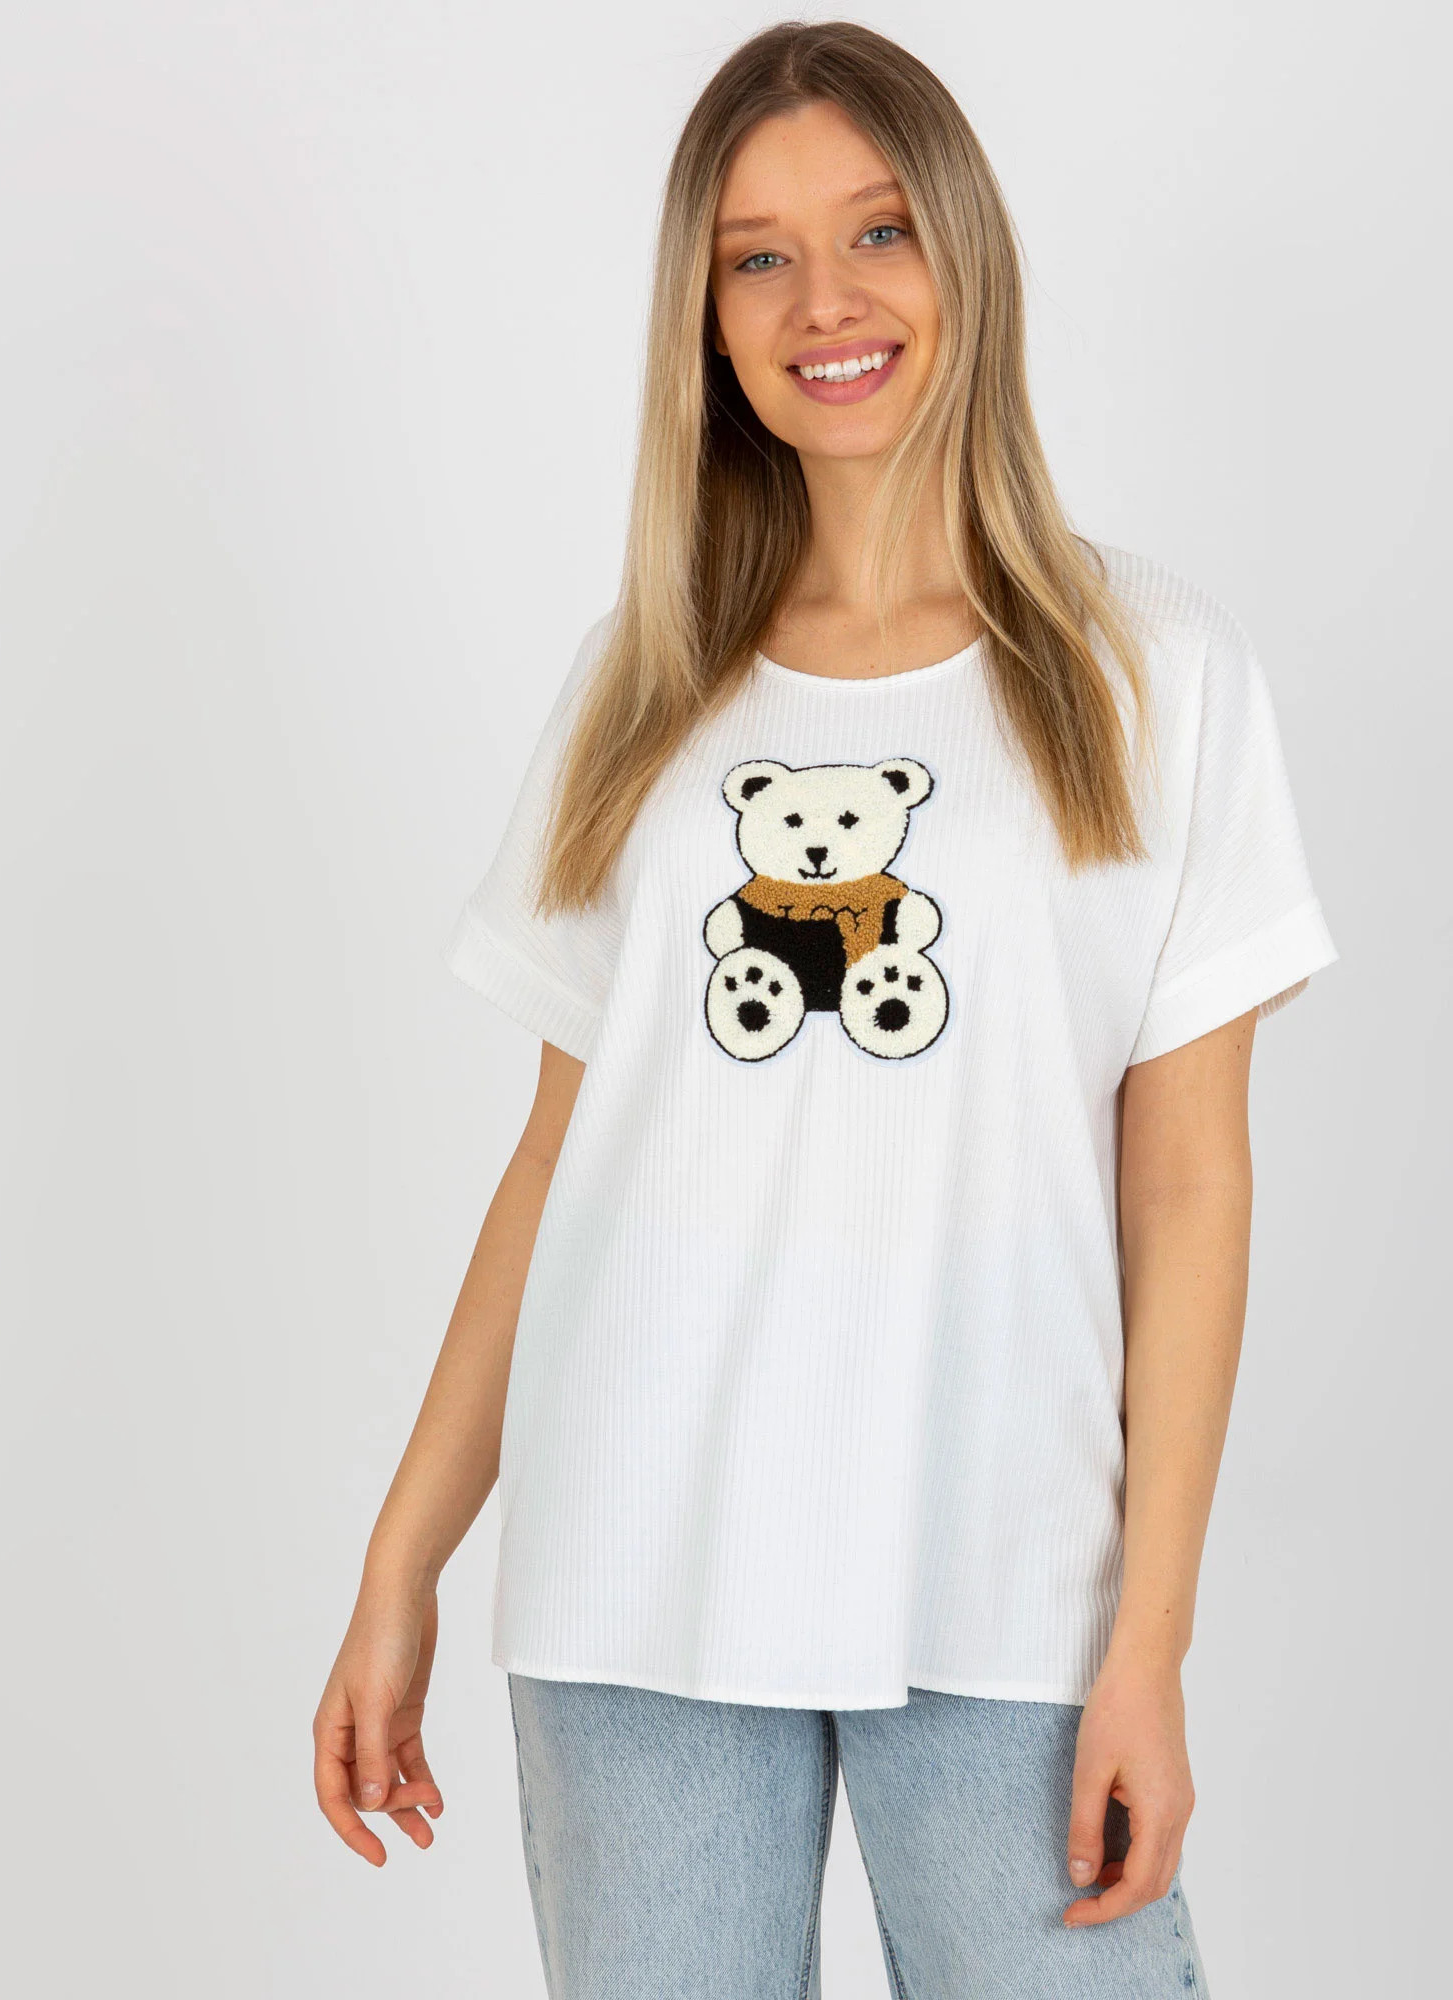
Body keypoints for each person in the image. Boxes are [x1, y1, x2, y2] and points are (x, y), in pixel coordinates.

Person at [313, 20, 1337, 1997]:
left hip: (1012, 1587)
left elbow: (1189, 1188)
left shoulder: (1152, 670)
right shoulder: (645, 682)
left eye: (876, 232)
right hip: (637, 1585)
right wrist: (399, 1560)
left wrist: (1151, 1639)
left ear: (965, 252)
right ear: (704, 316)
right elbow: (556, 1164)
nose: (824, 303)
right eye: (757, 257)